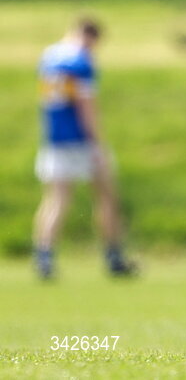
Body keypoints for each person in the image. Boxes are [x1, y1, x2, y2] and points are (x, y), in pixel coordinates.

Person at [33, 19, 136, 279]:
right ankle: (113, 256)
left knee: (57, 198)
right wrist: (97, 142)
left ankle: (44, 256)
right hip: (80, 139)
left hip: (54, 138)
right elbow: (85, 106)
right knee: (106, 195)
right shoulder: (81, 62)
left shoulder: (49, 56)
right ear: (90, 36)